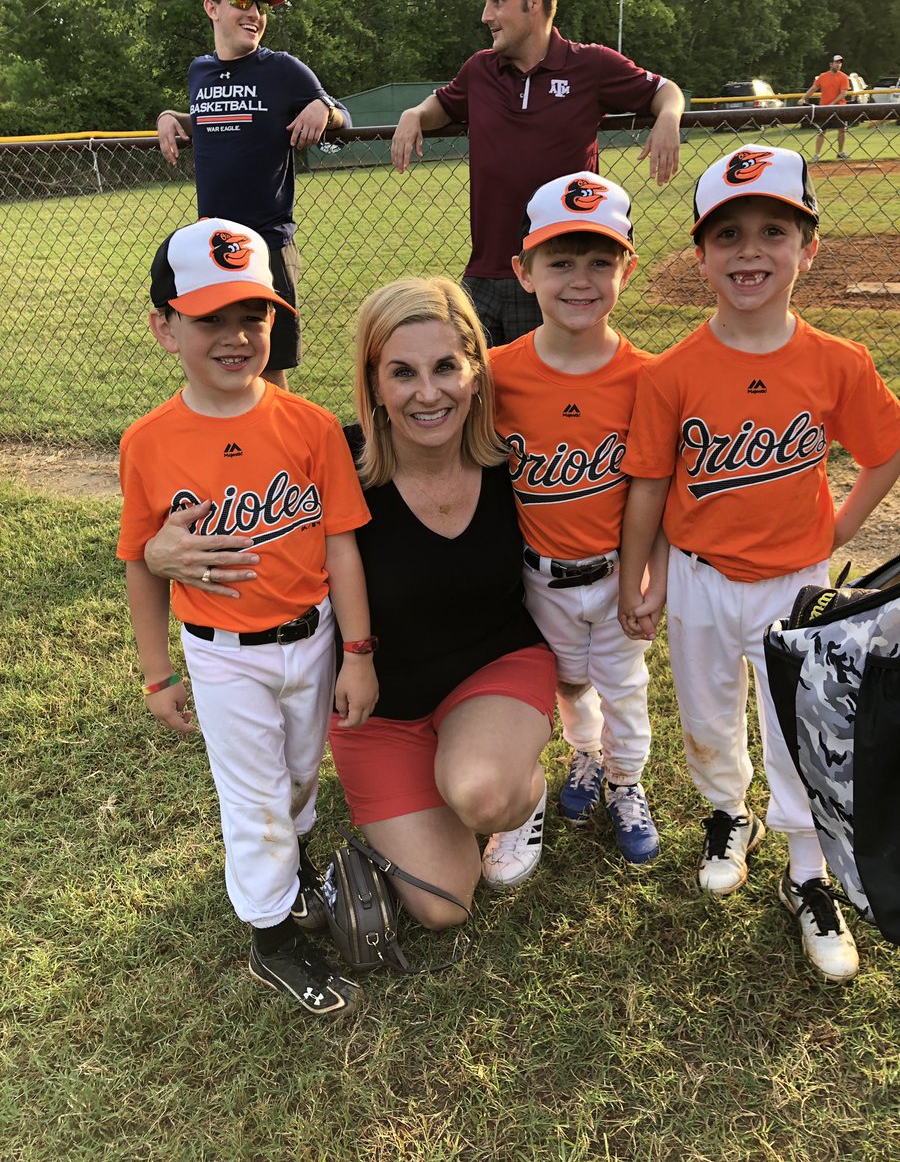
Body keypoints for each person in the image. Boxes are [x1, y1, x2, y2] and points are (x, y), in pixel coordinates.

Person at [617, 145, 900, 982]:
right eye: (728, 234)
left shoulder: (837, 362)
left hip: (798, 585)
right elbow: (648, 487)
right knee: (708, 718)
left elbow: (884, 451)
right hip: (700, 578)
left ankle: (807, 871)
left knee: (800, 731)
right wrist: (641, 575)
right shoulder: (673, 374)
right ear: (699, 254)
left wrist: (841, 529)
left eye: (774, 231)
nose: (750, 252)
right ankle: (724, 814)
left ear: (808, 249)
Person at [118, 217, 377, 1017]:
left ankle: (292, 871)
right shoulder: (149, 441)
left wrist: (360, 651)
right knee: (254, 795)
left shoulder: (307, 426)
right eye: (210, 318)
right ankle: (271, 939)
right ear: (165, 327)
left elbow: (341, 548)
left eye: (253, 316)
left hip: (316, 636)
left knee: (302, 775)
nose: (236, 336)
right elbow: (140, 559)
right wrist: (157, 672)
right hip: (223, 651)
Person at [327, 278, 559, 925]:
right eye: (402, 372)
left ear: (476, 373)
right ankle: (446, 769)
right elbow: (238, 508)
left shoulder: (512, 459)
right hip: (381, 708)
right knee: (443, 905)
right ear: (374, 383)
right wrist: (158, 553)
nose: (428, 393)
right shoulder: (333, 462)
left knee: (484, 796)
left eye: (445, 368)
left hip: (494, 668)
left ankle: (519, 789)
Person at [490, 171, 666, 864]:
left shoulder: (648, 376)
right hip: (538, 575)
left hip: (617, 571)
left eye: (601, 260)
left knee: (624, 685)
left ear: (629, 266)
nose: (580, 279)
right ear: (523, 271)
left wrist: (651, 580)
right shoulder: (496, 376)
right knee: (566, 680)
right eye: (559, 261)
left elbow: (658, 491)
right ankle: (586, 757)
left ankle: (626, 782)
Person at [390, 0, 684, 348]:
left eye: (497, 1)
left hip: (553, 277)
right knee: (477, 398)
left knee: (547, 396)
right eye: (486, 2)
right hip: (483, 277)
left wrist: (667, 116)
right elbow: (443, 104)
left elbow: (665, 90)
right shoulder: (480, 70)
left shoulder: (590, 65)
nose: (486, 15)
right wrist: (415, 114)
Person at [155, 0, 350, 388]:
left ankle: (279, 452)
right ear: (211, 8)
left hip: (267, 244)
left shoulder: (281, 69)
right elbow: (211, 117)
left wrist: (324, 108)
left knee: (269, 365)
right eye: (242, 1)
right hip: (214, 244)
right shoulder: (199, 71)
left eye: (260, 6)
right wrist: (171, 116)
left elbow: (342, 115)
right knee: (216, 363)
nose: (255, 14)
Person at [800, 54, 852, 163]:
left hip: (838, 108)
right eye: (836, 62)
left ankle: (840, 152)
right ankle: (817, 155)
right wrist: (803, 98)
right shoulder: (823, 76)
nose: (838, 65)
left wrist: (832, 104)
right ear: (831, 64)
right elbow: (814, 88)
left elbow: (843, 94)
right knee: (821, 131)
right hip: (824, 108)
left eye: (840, 63)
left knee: (842, 129)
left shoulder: (843, 77)